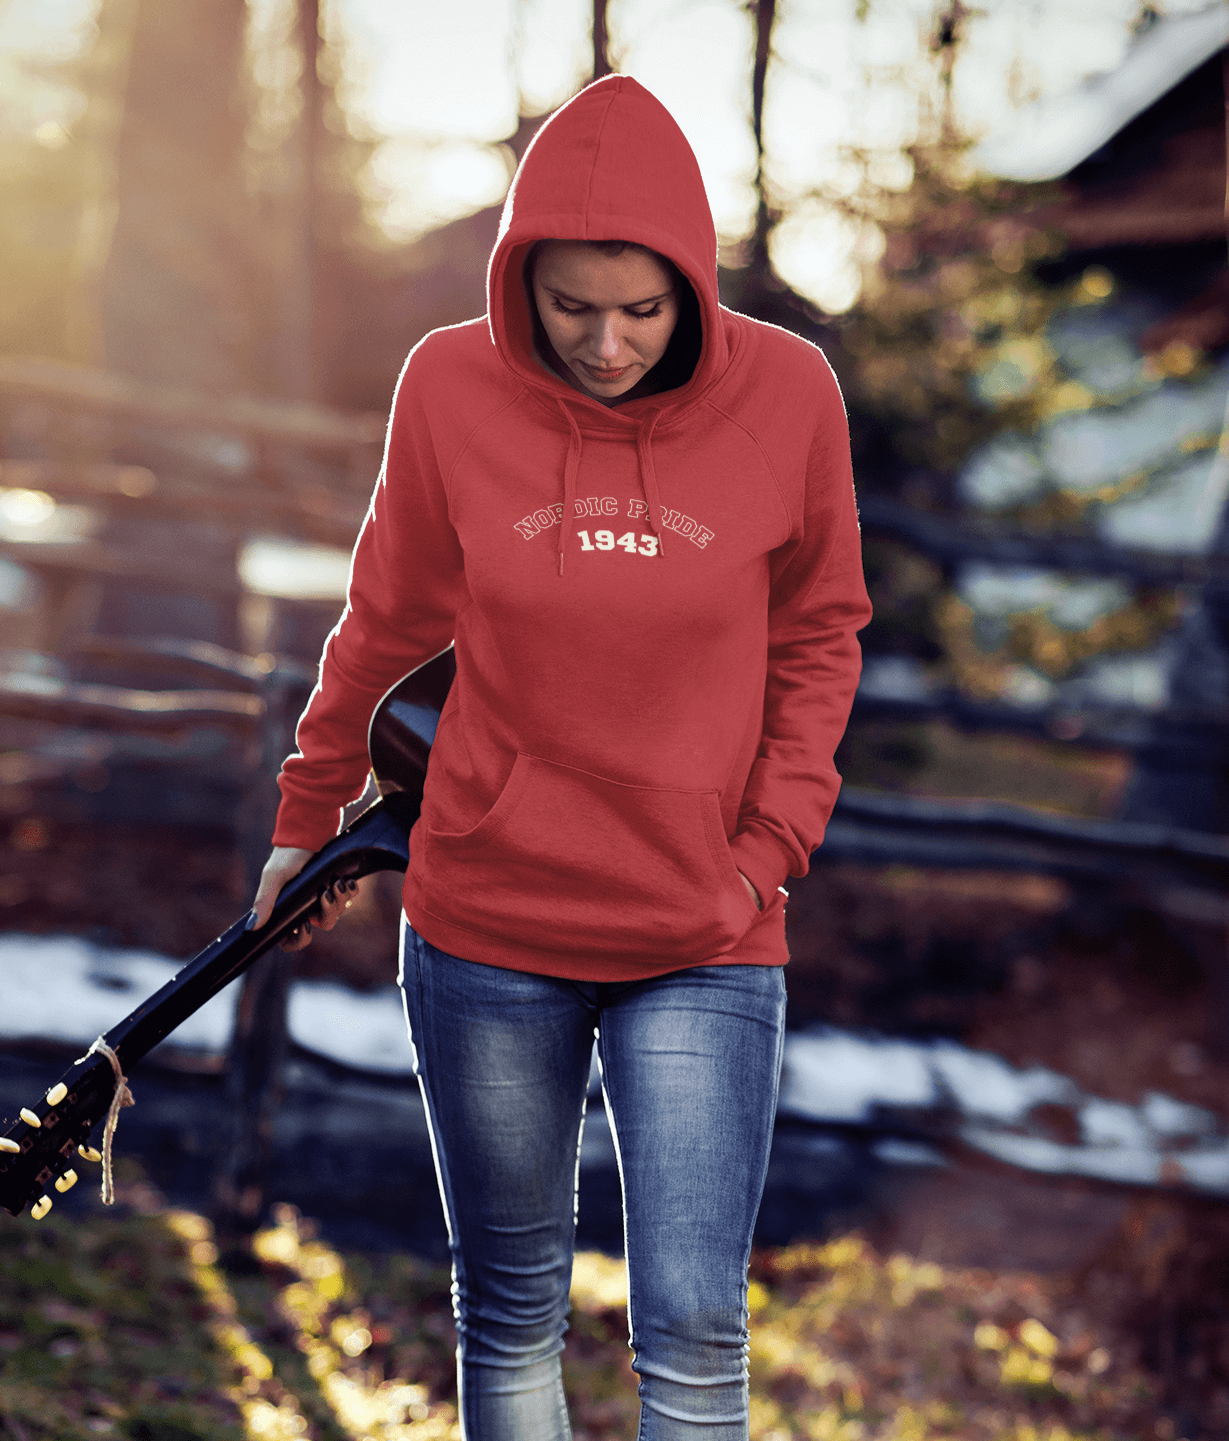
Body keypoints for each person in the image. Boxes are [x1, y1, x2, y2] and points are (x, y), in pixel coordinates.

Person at [250, 75, 871, 1441]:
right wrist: (307, 817)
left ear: (694, 286)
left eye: (642, 310)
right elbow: (387, 617)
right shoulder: (448, 386)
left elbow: (821, 635)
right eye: (569, 306)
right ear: (517, 279)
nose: (604, 343)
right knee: (513, 1304)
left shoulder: (789, 395)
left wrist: (765, 850)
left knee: (698, 1329)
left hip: (704, 928)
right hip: (487, 918)